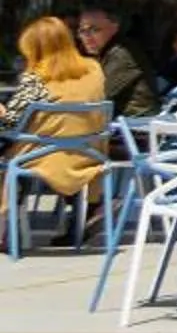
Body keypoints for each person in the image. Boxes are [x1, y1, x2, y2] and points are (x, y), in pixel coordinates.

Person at [4, 16, 110, 235]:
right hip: (89, 155)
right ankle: (86, 212)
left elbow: (9, 123)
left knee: (9, 153)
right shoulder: (94, 70)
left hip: (43, 158)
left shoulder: (37, 78)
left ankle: (7, 227)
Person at [72, 7, 157, 119]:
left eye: (95, 30)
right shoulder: (105, 51)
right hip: (117, 120)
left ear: (114, 27)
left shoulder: (121, 54)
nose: (87, 37)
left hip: (134, 123)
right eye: (82, 31)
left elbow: (97, 95)